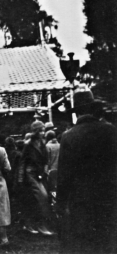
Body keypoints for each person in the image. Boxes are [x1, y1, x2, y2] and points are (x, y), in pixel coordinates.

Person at [56, 89, 117, 253]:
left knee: (85, 244)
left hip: (82, 202)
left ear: (77, 112)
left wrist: (60, 204)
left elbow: (64, 175)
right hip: (109, 199)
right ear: (92, 108)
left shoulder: (69, 137)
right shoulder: (111, 131)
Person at [20, 121, 54, 235]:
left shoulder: (42, 143)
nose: (43, 132)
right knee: (42, 197)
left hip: (40, 174)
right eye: (41, 130)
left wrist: (45, 171)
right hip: (31, 173)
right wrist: (20, 179)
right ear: (36, 131)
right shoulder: (28, 144)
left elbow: (45, 160)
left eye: (44, 130)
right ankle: (40, 225)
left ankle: (33, 224)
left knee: (38, 199)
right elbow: (23, 162)